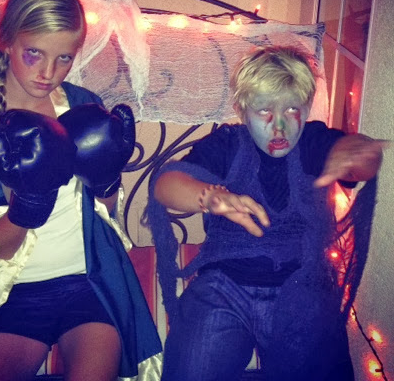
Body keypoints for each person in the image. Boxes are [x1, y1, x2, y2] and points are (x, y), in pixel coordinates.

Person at [0, 0, 162, 381]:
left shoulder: (83, 105)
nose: (48, 73)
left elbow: (104, 215)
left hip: (87, 283)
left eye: (64, 58)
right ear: (7, 40)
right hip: (11, 293)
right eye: (34, 53)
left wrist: (106, 180)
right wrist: (30, 203)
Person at [147, 46, 385, 381]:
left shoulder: (314, 140)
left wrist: (358, 153)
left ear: (306, 107)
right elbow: (166, 185)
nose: (280, 127)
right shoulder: (227, 144)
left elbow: (360, 158)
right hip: (223, 285)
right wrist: (211, 198)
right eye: (264, 111)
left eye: (292, 109)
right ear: (242, 111)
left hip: (304, 283)